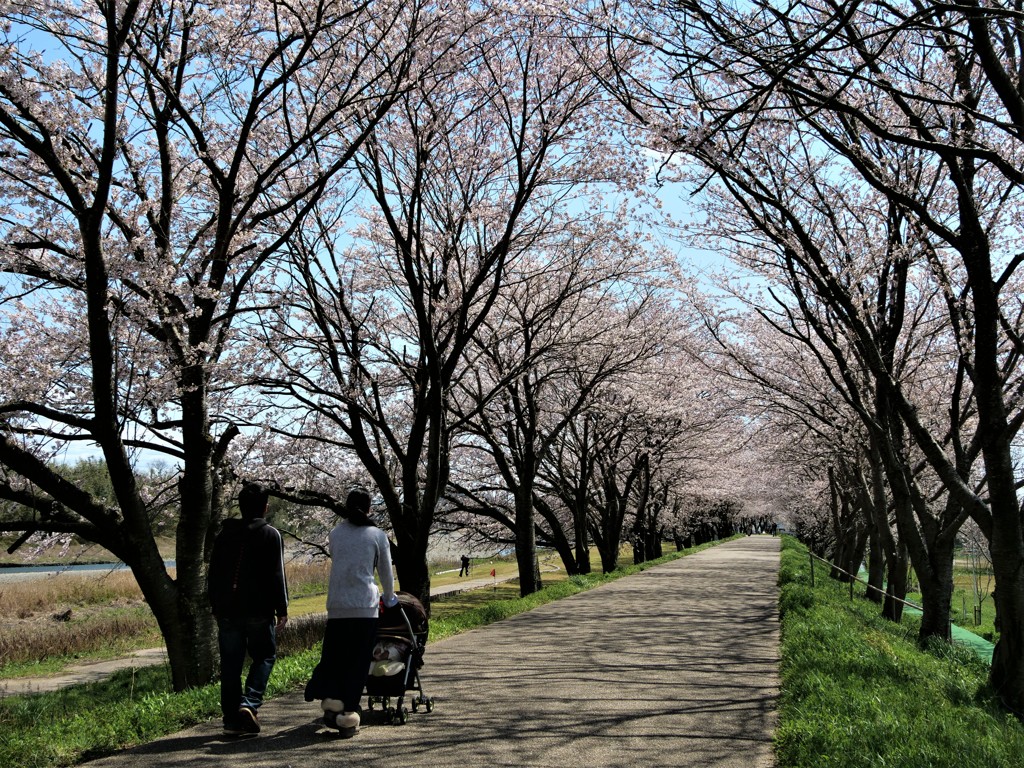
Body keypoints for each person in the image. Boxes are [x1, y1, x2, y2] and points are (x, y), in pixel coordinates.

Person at [308, 488, 397, 737]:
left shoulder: (335, 533)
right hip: (364, 607)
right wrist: (389, 598)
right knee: (358, 662)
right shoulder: (377, 535)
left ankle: (332, 702)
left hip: (337, 605)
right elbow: (386, 573)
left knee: (336, 657)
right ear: (369, 508)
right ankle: (348, 713)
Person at [208, 482, 289, 736]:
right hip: (258, 609)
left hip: (227, 611)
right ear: (265, 507)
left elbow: (213, 574)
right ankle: (249, 704)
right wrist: (282, 607)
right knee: (265, 655)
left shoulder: (224, 534)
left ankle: (231, 722)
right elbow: (277, 574)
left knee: (230, 665)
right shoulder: (270, 535)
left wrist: (215, 606)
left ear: (240, 507)